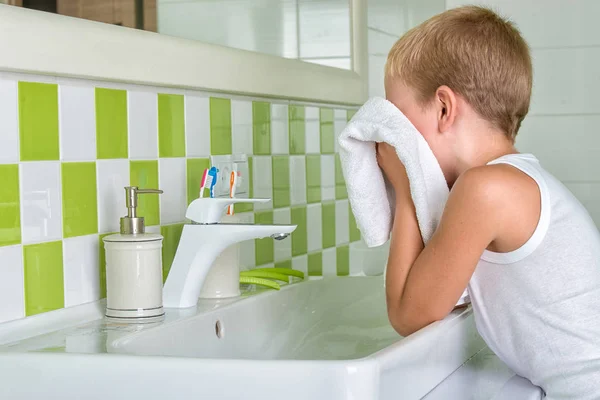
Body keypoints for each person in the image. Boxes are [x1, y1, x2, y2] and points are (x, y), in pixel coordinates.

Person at [376, 6, 600, 399]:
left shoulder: (486, 189)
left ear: (444, 108)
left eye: (399, 124)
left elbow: (410, 316)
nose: (393, 140)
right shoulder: (509, 181)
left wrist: (405, 186)